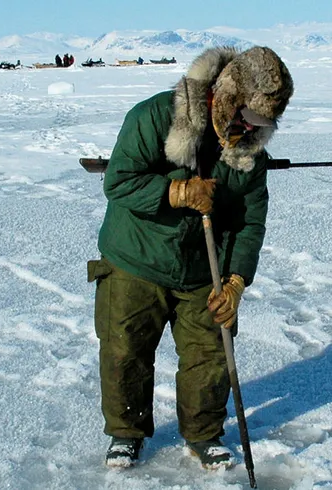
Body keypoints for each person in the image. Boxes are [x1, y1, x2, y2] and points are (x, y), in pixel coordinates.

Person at [87, 46, 293, 470]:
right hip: (135, 257)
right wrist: (175, 192)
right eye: (248, 118)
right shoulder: (154, 117)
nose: (251, 130)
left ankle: (203, 434)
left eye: (263, 124)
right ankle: (126, 433)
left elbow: (249, 221)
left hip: (203, 268)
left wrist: (236, 280)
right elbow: (119, 182)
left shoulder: (249, 151)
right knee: (125, 352)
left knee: (211, 352)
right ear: (226, 98)